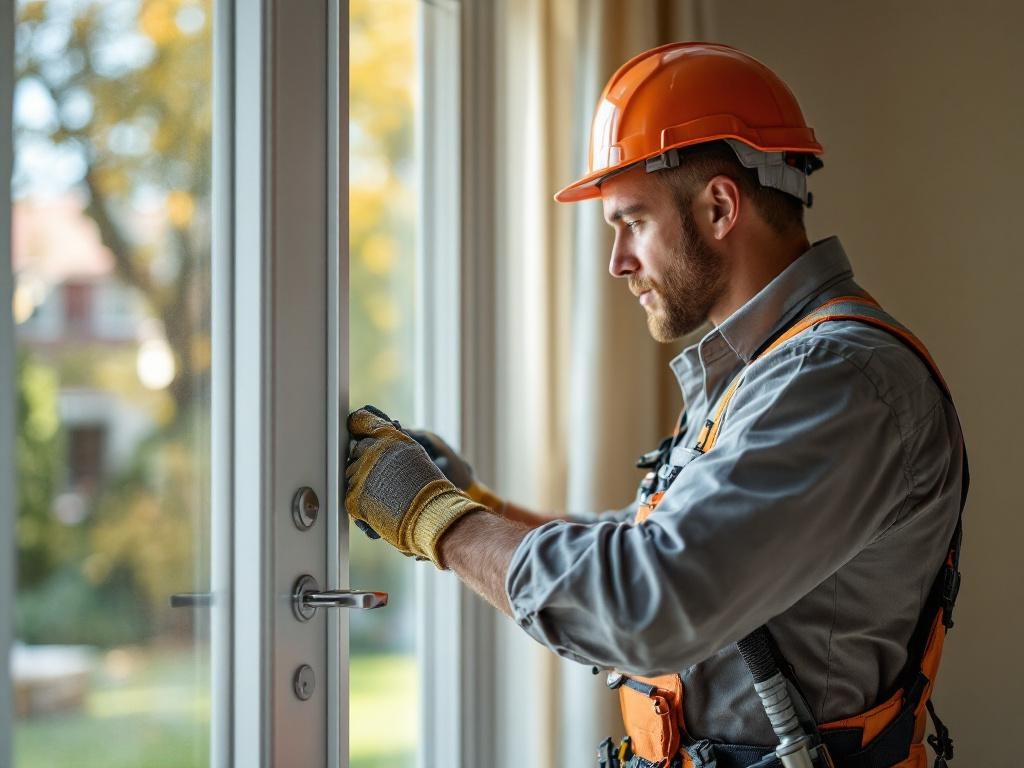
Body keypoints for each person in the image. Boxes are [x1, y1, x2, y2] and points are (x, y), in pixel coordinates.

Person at [344, 42, 966, 768]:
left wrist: (435, 519)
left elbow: (646, 602)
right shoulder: (758, 373)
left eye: (631, 222)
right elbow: (648, 547)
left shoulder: (838, 379)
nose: (618, 262)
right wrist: (478, 502)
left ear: (719, 206)